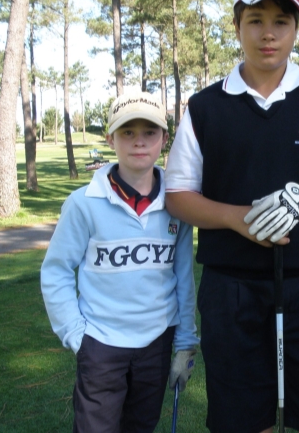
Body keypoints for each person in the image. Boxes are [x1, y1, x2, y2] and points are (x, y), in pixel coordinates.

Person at [164, 0, 299, 433]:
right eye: (255, 20)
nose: (268, 34)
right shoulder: (205, 107)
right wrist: (238, 219)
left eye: (280, 21)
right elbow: (177, 195)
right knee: (242, 421)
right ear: (237, 27)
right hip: (233, 289)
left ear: (296, 30)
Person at [41, 91, 199, 432]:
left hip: (157, 342)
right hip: (99, 344)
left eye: (149, 132)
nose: (138, 142)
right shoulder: (83, 203)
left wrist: (186, 340)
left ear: (164, 139)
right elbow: (55, 272)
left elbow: (183, 277)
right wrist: (76, 334)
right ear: (110, 138)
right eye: (127, 133)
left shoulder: (177, 206)